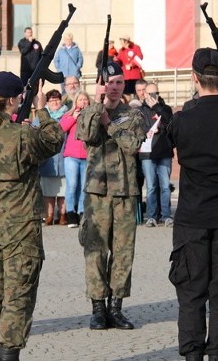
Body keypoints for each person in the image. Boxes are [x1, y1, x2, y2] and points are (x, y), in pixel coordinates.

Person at [0, 71, 63, 361]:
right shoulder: (21, 134)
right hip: (19, 228)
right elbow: (54, 141)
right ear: (12, 100)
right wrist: (42, 108)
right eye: (21, 96)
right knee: (17, 297)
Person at [168, 47, 218, 361]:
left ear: (194, 78)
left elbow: (166, 144)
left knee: (191, 292)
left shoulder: (182, 120)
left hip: (192, 216)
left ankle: (192, 355)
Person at [76, 61, 146, 330]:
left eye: (118, 82)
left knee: (123, 251)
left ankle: (116, 308)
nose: (114, 88)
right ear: (100, 85)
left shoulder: (133, 114)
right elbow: (85, 135)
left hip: (125, 191)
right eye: (109, 83)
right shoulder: (90, 111)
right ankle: (97, 308)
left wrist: (111, 124)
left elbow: (132, 146)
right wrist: (96, 108)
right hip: (97, 192)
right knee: (94, 250)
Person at [138, 82, 174, 227]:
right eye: (150, 93)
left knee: (165, 186)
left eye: (155, 93)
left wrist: (157, 108)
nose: (153, 96)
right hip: (147, 153)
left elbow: (170, 123)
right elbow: (139, 128)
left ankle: (166, 215)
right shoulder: (140, 111)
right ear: (144, 94)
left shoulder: (165, 109)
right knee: (151, 186)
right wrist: (150, 130)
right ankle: (151, 216)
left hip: (164, 151)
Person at [59, 91, 91, 228]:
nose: (83, 102)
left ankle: (81, 212)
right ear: (76, 102)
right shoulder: (69, 114)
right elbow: (61, 128)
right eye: (80, 100)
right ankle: (70, 212)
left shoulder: (91, 115)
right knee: (72, 185)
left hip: (86, 156)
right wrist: (74, 118)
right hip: (71, 156)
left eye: (85, 100)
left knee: (84, 186)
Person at [38, 89, 68, 226]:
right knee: (48, 191)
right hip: (48, 159)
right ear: (47, 103)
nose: (55, 103)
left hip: (63, 155)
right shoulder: (41, 117)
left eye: (57, 100)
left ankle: (63, 215)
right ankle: (49, 215)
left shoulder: (67, 115)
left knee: (63, 190)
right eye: (52, 100)